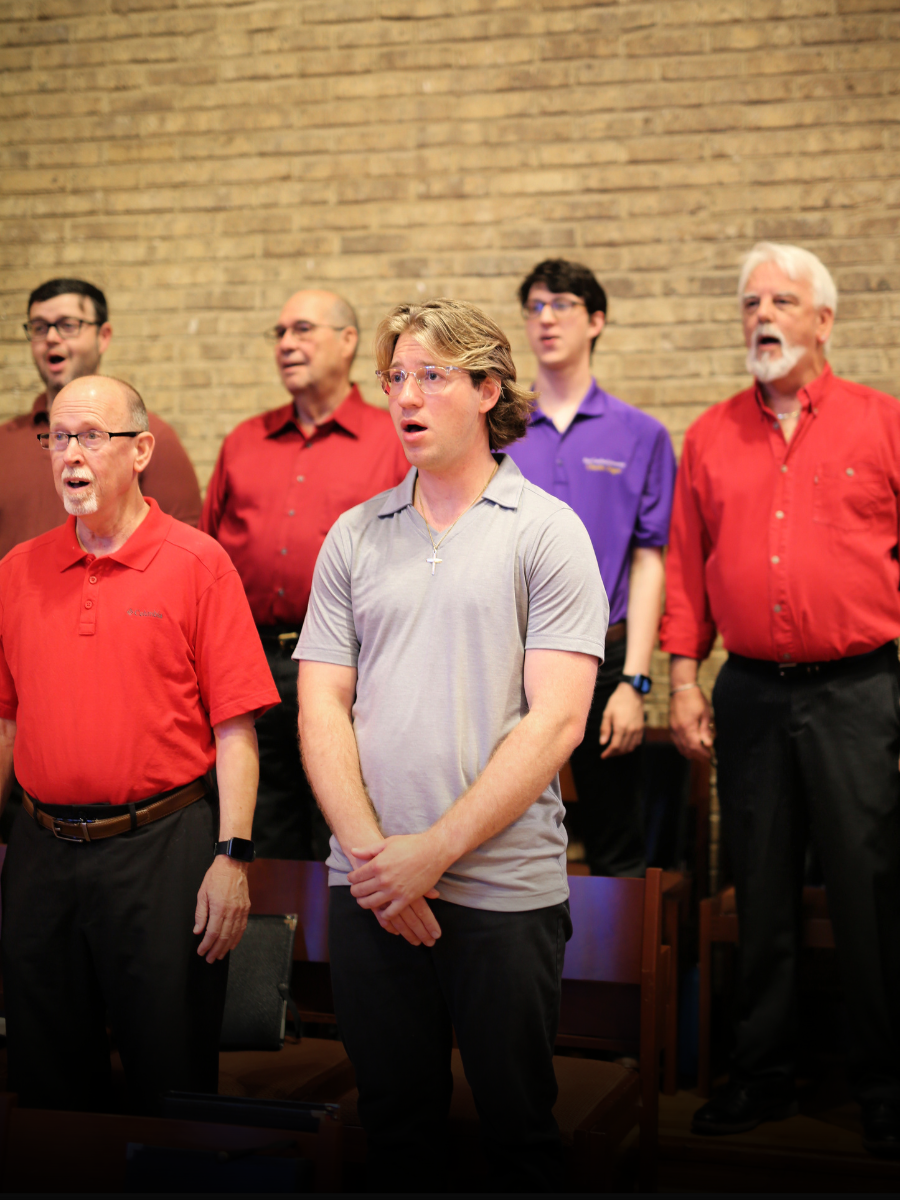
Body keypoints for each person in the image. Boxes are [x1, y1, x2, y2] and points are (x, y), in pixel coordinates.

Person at [295, 298, 608, 1192]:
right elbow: (321, 709)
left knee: (517, 1135)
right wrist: (374, 863)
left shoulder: (546, 532)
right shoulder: (354, 536)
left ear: (486, 389)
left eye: (432, 375)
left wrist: (430, 853)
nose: (406, 395)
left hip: (501, 893)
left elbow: (556, 723)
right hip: (370, 887)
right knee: (394, 1136)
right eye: (396, 376)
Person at [661, 242, 900, 1156]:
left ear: (823, 321)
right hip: (752, 693)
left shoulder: (881, 424)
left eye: (782, 301)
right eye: (750, 301)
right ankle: (758, 1072)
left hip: (858, 692)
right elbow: (687, 568)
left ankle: (881, 1084)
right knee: (756, 886)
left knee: (869, 890)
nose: (762, 315)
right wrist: (684, 678)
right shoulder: (711, 435)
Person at [0, 375, 279, 1116]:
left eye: (91, 436)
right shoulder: (17, 571)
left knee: (171, 1079)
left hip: (163, 850)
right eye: (58, 437)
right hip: (39, 851)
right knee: (44, 1085)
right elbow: (5, 724)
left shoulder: (197, 563)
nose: (70, 455)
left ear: (141, 449)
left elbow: (236, 728)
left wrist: (234, 856)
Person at [201, 289, 408, 861]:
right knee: (255, 835)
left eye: (302, 330)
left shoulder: (392, 437)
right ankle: (265, 954)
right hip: (252, 666)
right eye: (279, 333)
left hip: (356, 667)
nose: (287, 343)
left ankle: (342, 952)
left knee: (345, 832)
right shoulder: (244, 441)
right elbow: (207, 561)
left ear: (348, 341)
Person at [506, 258, 676, 877]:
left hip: (604, 662)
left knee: (614, 847)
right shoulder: (497, 428)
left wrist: (636, 683)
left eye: (563, 305)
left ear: (596, 320)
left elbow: (649, 559)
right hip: (506, 659)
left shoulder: (641, 434)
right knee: (502, 835)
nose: (546, 319)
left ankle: (615, 975)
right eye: (535, 307)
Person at [1, 277, 202, 560]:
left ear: (103, 335)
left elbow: (184, 553)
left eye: (68, 325)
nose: (51, 338)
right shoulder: (4, 442)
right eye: (39, 327)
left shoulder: (147, 438)